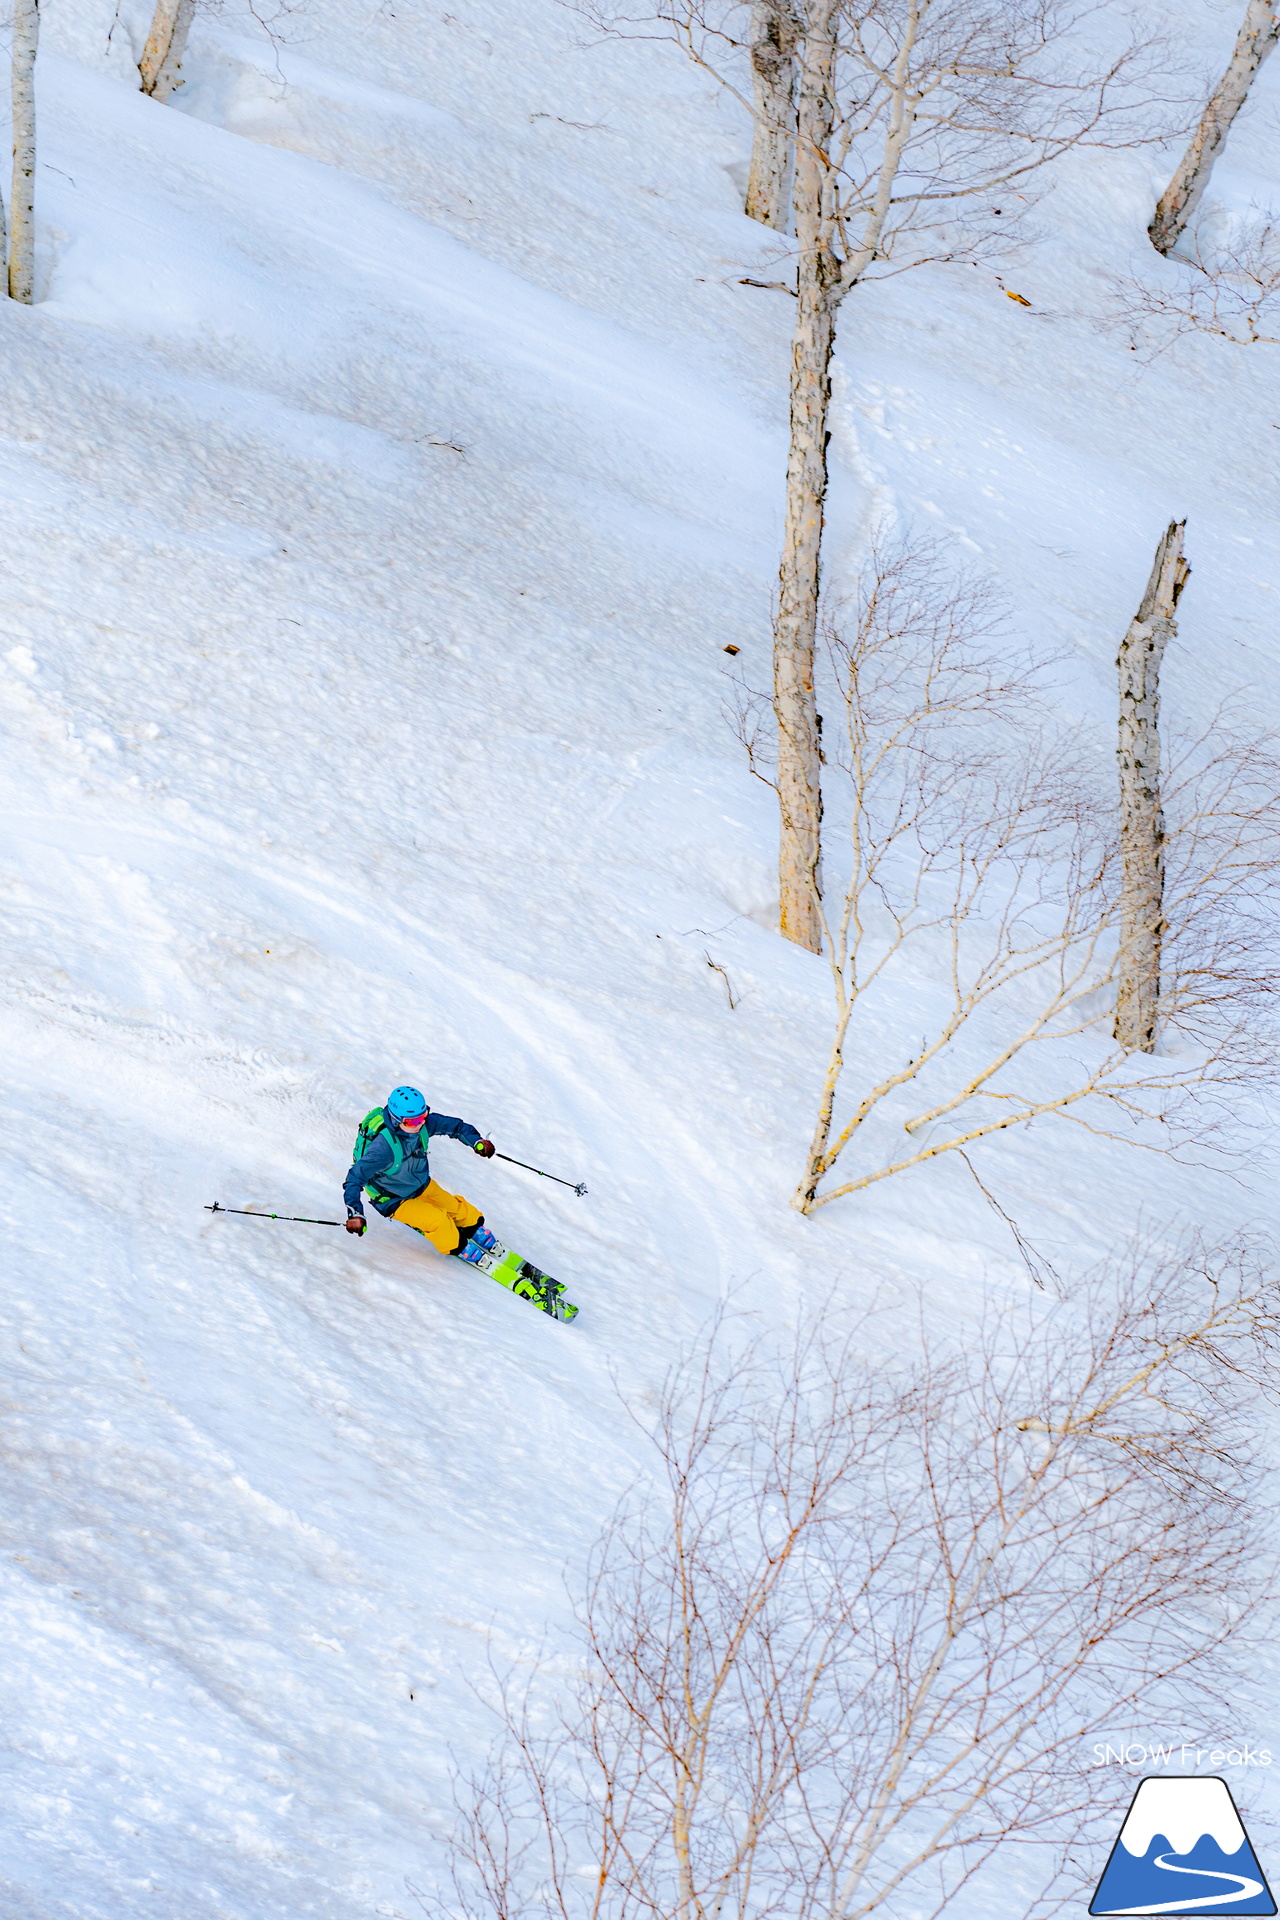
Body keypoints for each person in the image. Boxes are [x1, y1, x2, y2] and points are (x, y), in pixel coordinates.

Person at [344, 1084, 499, 1264]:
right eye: (412, 1121)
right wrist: (355, 1213)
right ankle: (458, 1245)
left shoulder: (422, 1125)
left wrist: (476, 1141)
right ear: (396, 1120)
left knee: (456, 1208)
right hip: (394, 1199)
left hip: (421, 1184)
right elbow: (354, 1178)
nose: (420, 1124)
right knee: (438, 1220)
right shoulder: (382, 1148)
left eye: (423, 1116)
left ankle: (474, 1228)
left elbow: (456, 1127)